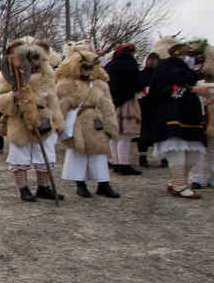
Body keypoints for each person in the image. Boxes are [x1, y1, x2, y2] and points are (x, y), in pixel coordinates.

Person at [0, 38, 64, 202]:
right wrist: (14, 95)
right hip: (20, 119)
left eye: (35, 58)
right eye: (29, 59)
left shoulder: (46, 74)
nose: (33, 62)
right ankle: (23, 188)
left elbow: (52, 99)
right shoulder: (10, 75)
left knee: (45, 154)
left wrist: (58, 121)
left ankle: (43, 187)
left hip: (43, 118)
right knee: (20, 154)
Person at [145, 43, 210, 198]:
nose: (192, 58)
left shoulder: (186, 69)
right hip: (172, 113)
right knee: (177, 148)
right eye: (189, 54)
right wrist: (194, 89)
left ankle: (175, 181)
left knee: (195, 148)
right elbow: (166, 87)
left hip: (189, 114)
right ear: (180, 54)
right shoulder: (165, 65)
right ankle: (180, 186)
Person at [56, 47, 121, 198]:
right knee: (78, 153)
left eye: (90, 67)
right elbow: (61, 105)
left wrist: (111, 125)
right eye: (84, 67)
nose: (87, 71)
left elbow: (107, 105)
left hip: (96, 123)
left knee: (99, 154)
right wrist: (58, 124)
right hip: (77, 123)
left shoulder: (100, 84)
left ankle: (103, 184)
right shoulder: (66, 84)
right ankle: (80, 185)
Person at [105, 44, 144, 175]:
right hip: (126, 101)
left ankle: (116, 162)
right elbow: (137, 83)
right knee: (124, 135)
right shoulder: (131, 64)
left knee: (114, 135)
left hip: (111, 102)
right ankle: (123, 164)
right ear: (132, 53)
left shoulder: (110, 64)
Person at [137, 52, 161, 168]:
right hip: (144, 107)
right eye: (150, 59)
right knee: (143, 133)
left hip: (158, 107)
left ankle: (164, 157)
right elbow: (137, 86)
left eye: (155, 59)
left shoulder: (161, 74)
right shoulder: (141, 74)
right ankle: (142, 157)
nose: (152, 61)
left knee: (160, 132)